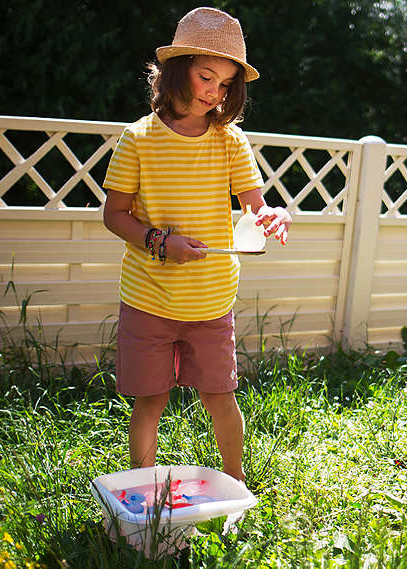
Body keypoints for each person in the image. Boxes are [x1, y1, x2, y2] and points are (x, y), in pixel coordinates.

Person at [102, 7, 290, 481]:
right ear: (175, 71)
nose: (214, 91)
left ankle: (236, 481)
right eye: (207, 77)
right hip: (149, 298)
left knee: (220, 397)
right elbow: (114, 216)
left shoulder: (230, 141)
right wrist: (160, 243)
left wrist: (273, 215)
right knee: (151, 400)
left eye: (225, 84)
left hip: (211, 300)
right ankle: (145, 494)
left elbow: (255, 207)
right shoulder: (137, 140)